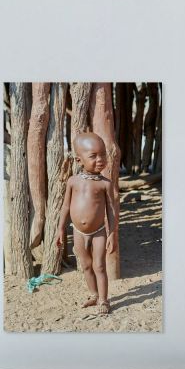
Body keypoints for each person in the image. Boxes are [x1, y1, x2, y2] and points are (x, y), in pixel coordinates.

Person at [54, 132, 117, 315]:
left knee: (99, 266)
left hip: (98, 232)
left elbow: (111, 210)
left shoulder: (105, 184)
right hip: (78, 232)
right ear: (79, 160)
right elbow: (65, 206)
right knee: (86, 265)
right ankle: (94, 295)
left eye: (103, 154)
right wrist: (60, 229)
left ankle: (104, 301)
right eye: (93, 156)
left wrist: (112, 233)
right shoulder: (73, 181)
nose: (100, 160)